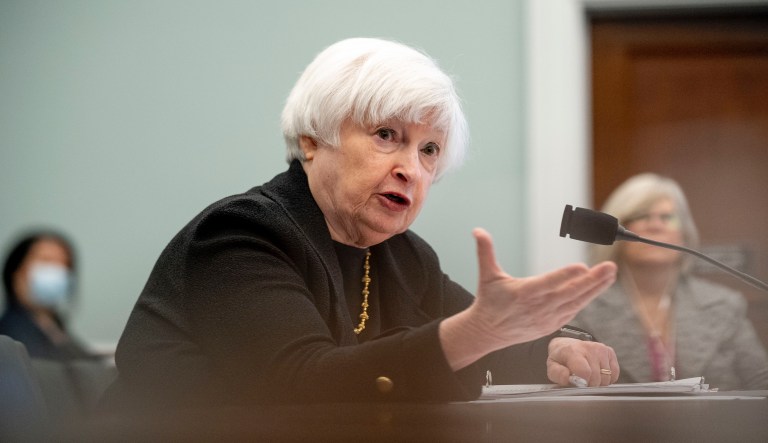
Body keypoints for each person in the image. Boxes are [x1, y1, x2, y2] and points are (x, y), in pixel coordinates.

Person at [103, 37, 618, 410]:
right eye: (387, 134)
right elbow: (301, 390)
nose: (411, 168)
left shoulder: (405, 256)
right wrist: (477, 333)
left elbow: (488, 344)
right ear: (312, 140)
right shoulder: (240, 235)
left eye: (429, 150)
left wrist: (554, 348)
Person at [571, 173, 768, 390]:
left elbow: (762, 382)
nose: (655, 225)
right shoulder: (584, 306)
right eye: (641, 216)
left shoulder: (725, 305)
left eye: (667, 218)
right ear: (615, 233)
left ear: (684, 234)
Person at [1, 230, 96, 361]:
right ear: (16, 273)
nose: (57, 270)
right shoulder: (11, 335)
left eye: (65, 264)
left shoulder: (55, 328)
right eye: (46, 261)